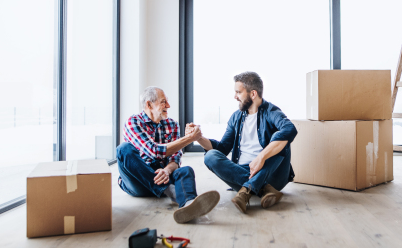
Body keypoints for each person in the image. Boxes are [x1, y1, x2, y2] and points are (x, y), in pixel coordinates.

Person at [190, 71, 297, 214]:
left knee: (282, 138)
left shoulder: (271, 112)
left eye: (238, 92)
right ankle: (261, 189)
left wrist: (261, 157)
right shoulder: (236, 117)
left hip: (271, 174)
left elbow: (290, 129)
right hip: (242, 173)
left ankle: (248, 189)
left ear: (253, 94)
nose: (235, 97)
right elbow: (222, 148)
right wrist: (198, 138)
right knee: (210, 156)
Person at [117, 86, 220, 224]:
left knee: (185, 170)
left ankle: (189, 204)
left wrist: (166, 170)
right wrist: (189, 139)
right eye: (163, 102)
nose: (168, 106)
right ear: (149, 104)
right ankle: (171, 192)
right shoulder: (133, 122)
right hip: (139, 180)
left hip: (162, 176)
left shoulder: (172, 124)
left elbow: (175, 157)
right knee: (123, 149)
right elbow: (154, 151)